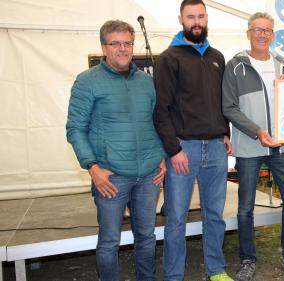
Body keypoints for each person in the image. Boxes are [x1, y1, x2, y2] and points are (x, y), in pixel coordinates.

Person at [66, 20, 166, 281]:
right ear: (104, 47)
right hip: (111, 177)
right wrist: (93, 168)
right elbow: (75, 128)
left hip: (148, 175)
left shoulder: (146, 82)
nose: (123, 49)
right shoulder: (87, 82)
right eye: (116, 43)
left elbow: (156, 122)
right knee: (109, 241)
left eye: (127, 43)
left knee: (146, 237)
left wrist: (162, 158)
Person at [222, 12, 284, 281]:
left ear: (273, 35)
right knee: (245, 207)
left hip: (281, 149)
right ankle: (248, 259)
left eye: (267, 30)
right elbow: (229, 107)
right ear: (248, 33)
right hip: (250, 147)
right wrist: (257, 131)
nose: (262, 34)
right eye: (257, 29)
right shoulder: (235, 66)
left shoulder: (283, 67)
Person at [152, 1, 233, 280]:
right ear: (180, 19)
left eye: (200, 16)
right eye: (190, 17)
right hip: (183, 149)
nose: (196, 21)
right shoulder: (168, 58)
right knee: (176, 219)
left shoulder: (217, 56)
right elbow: (160, 110)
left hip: (216, 147)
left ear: (207, 18)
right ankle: (173, 276)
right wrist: (173, 150)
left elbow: (222, 101)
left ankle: (217, 270)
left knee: (215, 215)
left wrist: (226, 133)